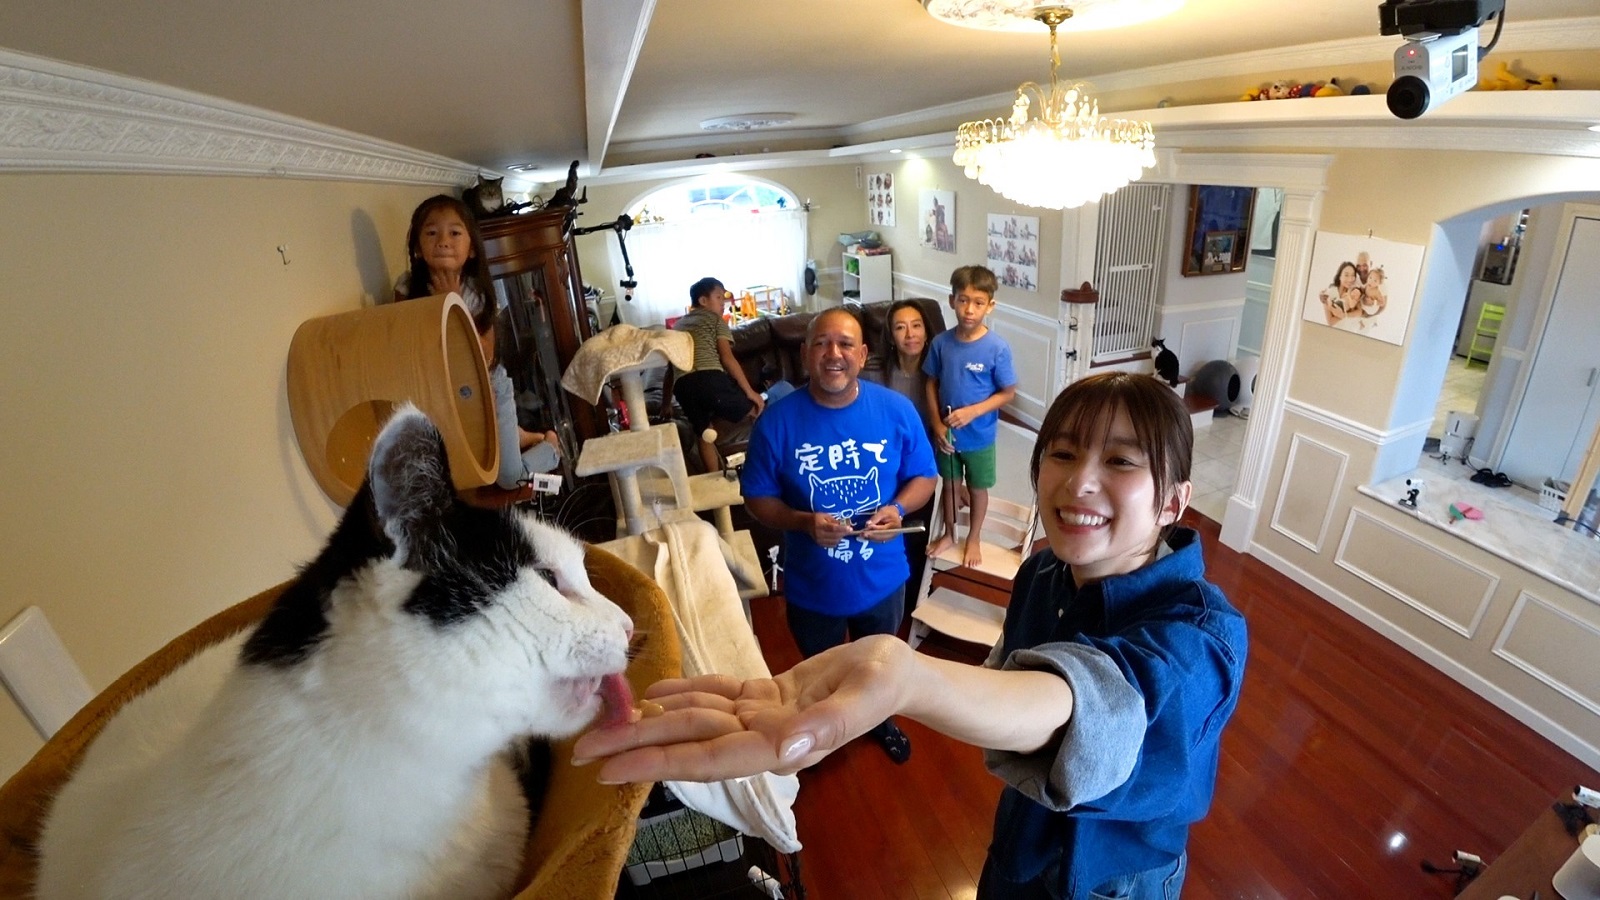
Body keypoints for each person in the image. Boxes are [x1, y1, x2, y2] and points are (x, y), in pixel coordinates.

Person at [573, 372, 1249, 899]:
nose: (1079, 481)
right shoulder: (1045, 572)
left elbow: (1101, 703)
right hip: (1019, 840)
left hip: (1114, 879)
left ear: (1172, 502)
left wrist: (908, 677)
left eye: (1122, 462)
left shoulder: (1204, 636)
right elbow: (1015, 686)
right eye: (1063, 454)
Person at [737, 307, 937, 763]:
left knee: (878, 669)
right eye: (822, 343)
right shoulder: (777, 423)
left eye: (846, 344)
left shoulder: (896, 410)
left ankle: (879, 720)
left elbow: (924, 477)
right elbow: (757, 501)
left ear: (863, 354)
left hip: (884, 580)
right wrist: (805, 522)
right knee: (820, 675)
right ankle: (825, 738)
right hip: (812, 586)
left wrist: (898, 508)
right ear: (806, 354)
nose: (834, 354)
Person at [395, 195, 558, 488]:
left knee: (508, 477)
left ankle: (551, 447)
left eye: (455, 233)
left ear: (471, 249)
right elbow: (405, 344)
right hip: (442, 394)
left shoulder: (478, 293)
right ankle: (515, 435)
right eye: (432, 233)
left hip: (489, 389)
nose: (443, 241)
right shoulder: (407, 289)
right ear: (418, 247)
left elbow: (485, 355)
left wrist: (453, 304)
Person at [925, 265, 1017, 568]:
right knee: (950, 486)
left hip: (980, 437)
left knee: (978, 489)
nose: (969, 309)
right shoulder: (941, 343)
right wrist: (937, 425)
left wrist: (973, 412)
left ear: (990, 306)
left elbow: (1008, 393)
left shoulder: (997, 348)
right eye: (963, 300)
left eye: (978, 302)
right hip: (947, 436)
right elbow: (931, 382)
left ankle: (974, 535)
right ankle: (951, 533)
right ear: (951, 301)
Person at [862, 300, 939, 609]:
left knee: (916, 535)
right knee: (883, 530)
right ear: (890, 336)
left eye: (917, 325)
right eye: (900, 327)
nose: (910, 334)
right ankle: (883, 592)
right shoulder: (874, 373)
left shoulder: (939, 374)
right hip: (884, 467)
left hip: (922, 468)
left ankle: (913, 599)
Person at [671, 277, 766, 473]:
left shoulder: (676, 327)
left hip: (682, 386)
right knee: (757, 410)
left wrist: (665, 405)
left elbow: (668, 371)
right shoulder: (715, 320)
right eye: (718, 297)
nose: (723, 303)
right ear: (703, 301)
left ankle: (714, 480)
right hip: (710, 379)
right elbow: (727, 357)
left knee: (705, 433)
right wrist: (749, 392)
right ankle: (766, 462)